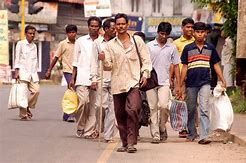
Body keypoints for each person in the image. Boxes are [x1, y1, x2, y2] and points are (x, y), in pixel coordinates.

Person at [102, 13, 152, 153]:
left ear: (127, 25)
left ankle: (131, 142)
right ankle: (125, 143)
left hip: (134, 82)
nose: (121, 26)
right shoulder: (110, 45)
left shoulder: (137, 41)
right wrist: (103, 59)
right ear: (115, 27)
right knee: (120, 114)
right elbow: (108, 66)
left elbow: (146, 60)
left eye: (123, 24)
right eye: (118, 24)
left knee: (133, 109)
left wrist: (145, 74)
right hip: (117, 84)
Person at [180, 22, 226, 144]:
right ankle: (192, 133)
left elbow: (216, 64)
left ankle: (204, 135)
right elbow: (184, 67)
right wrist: (180, 84)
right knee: (190, 109)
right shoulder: (188, 48)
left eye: (202, 32)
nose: (200, 34)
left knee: (204, 109)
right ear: (194, 33)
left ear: (205, 33)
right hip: (191, 83)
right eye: (198, 32)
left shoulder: (210, 48)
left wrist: (222, 79)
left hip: (205, 82)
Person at [146, 22, 181, 144]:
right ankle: (155, 135)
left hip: (165, 82)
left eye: (166, 34)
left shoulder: (172, 47)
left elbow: (176, 66)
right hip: (150, 82)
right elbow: (144, 63)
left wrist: (178, 84)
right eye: (161, 34)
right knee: (152, 108)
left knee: (164, 106)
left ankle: (162, 128)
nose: (163, 36)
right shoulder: (149, 46)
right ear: (157, 32)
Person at [69, 16, 102, 139]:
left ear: (99, 27)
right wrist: (72, 78)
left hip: (97, 78)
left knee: (94, 106)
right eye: (92, 26)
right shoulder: (81, 41)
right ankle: (81, 126)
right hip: (82, 77)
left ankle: (88, 131)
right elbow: (75, 61)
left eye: (96, 26)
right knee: (82, 103)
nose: (94, 28)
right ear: (88, 27)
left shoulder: (103, 42)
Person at [90, 18, 116, 143]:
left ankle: (108, 135)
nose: (115, 30)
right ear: (106, 29)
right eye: (113, 28)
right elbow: (93, 62)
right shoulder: (97, 43)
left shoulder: (117, 42)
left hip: (115, 78)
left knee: (113, 109)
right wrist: (93, 79)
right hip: (101, 78)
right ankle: (99, 127)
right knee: (100, 107)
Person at [45, 24, 77, 122]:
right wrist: (49, 70)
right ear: (67, 34)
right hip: (68, 71)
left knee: (76, 92)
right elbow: (56, 57)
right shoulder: (63, 44)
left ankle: (66, 114)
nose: (72, 34)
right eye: (70, 32)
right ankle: (71, 114)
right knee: (72, 90)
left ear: (76, 33)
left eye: (73, 32)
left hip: (78, 71)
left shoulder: (79, 43)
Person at [173, 17, 195, 138]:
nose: (190, 29)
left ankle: (191, 127)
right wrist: (172, 78)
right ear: (182, 28)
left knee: (192, 103)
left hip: (194, 76)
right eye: (187, 27)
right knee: (181, 101)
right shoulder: (176, 43)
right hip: (180, 76)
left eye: (192, 27)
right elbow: (173, 62)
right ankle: (182, 128)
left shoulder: (197, 41)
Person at [14, 25, 40, 120]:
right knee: (23, 94)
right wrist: (16, 72)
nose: (32, 35)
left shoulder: (34, 46)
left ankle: (27, 107)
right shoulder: (20, 44)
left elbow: (35, 60)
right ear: (25, 34)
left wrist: (36, 73)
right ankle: (23, 115)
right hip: (23, 72)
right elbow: (17, 58)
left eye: (33, 34)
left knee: (36, 91)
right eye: (30, 33)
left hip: (33, 73)